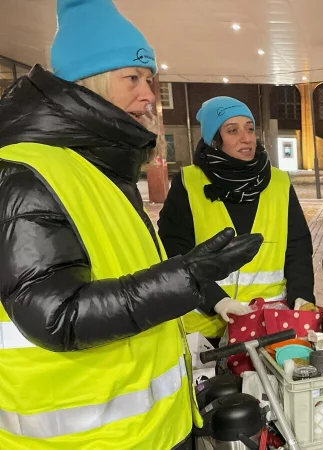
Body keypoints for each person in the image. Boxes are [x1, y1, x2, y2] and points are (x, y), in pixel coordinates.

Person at [0, 1, 262, 449]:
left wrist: (194, 282)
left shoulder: (100, 168)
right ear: (90, 83)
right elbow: (57, 314)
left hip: (152, 429)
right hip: (88, 439)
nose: (148, 95)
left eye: (150, 80)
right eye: (133, 78)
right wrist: (188, 276)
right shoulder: (27, 174)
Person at [158, 96, 314, 343]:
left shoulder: (279, 182)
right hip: (206, 329)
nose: (246, 137)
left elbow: (298, 248)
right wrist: (217, 300)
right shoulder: (190, 183)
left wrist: (302, 296)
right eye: (232, 130)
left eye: (250, 128)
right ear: (214, 140)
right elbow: (175, 251)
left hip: (270, 327)